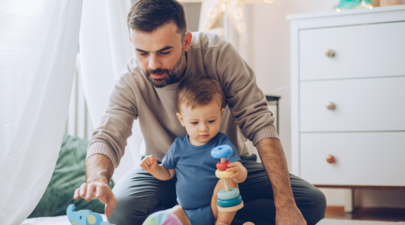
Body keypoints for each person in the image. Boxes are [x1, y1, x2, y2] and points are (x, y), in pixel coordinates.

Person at [73, 0, 327, 224]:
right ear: (132, 43)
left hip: (228, 172)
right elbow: (107, 135)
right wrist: (98, 178)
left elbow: (260, 122)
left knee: (310, 203)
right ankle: (192, 217)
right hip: (165, 171)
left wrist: (285, 206)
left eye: (164, 52)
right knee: (120, 211)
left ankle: (201, 218)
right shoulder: (131, 78)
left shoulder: (219, 55)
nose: (152, 64)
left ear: (186, 41)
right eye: (142, 53)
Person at [140, 75, 247, 225]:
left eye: (211, 121)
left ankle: (223, 223)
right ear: (182, 120)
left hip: (215, 209)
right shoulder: (178, 146)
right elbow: (168, 172)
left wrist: (238, 172)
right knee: (166, 217)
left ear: (221, 115)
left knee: (227, 181)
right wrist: (154, 169)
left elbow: (241, 176)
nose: (203, 128)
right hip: (186, 213)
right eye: (195, 122)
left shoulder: (221, 143)